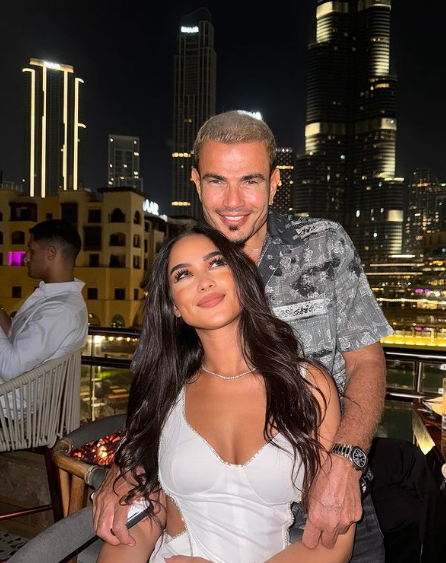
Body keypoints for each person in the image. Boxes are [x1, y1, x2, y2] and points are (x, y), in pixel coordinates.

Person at [93, 111, 390, 559]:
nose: (233, 200)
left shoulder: (322, 244)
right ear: (196, 182)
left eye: (250, 181)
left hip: (329, 489)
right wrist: (126, 466)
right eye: (217, 181)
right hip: (210, 506)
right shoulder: (183, 260)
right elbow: (156, 380)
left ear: (274, 182)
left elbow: (366, 360)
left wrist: (345, 462)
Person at [97, 224, 354, 563]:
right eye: (183, 275)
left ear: (241, 279)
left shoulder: (308, 385)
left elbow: (334, 542)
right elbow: (142, 516)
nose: (204, 282)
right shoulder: (166, 389)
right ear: (174, 306)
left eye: (216, 263)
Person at [0, 219, 88, 381]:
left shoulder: (61, 310)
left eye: (31, 251)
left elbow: (10, 368)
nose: (26, 258)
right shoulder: (54, 299)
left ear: (51, 253)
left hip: (9, 395)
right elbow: (15, 334)